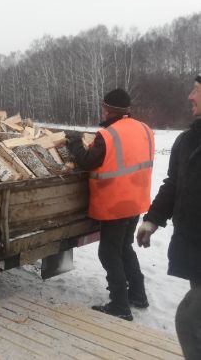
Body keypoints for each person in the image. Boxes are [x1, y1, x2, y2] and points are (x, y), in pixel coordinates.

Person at [67, 88, 154, 321]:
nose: (102, 111)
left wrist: (74, 142)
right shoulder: (144, 129)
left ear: (109, 110)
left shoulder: (107, 136)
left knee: (108, 252)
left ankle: (119, 305)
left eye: (103, 107)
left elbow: (87, 161)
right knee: (124, 247)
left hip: (116, 203)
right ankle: (138, 295)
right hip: (136, 200)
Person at [137, 74, 201, 359]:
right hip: (195, 251)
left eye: (197, 91)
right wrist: (152, 220)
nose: (189, 96)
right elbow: (174, 185)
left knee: (189, 321)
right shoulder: (187, 141)